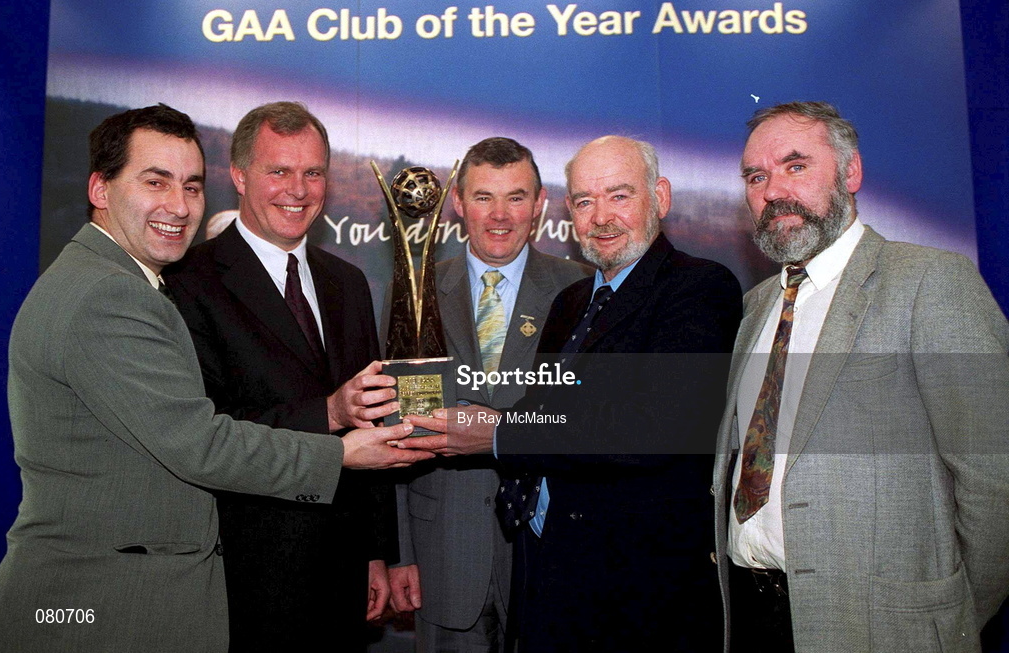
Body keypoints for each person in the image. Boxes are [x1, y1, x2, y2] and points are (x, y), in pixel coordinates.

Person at [0, 104, 430, 653]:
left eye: (192, 187)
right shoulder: (116, 292)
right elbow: (202, 441)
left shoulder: (126, 281)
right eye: (156, 182)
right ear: (100, 189)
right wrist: (340, 446)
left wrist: (377, 546)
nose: (178, 205)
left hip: (149, 592)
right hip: (106, 601)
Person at [407, 135, 742, 652]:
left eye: (619, 196)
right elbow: (543, 411)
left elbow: (653, 428)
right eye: (585, 201)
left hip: (638, 595)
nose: (601, 216)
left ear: (661, 197)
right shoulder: (573, 301)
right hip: (552, 575)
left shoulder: (698, 288)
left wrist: (496, 433)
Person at [713, 101, 1009, 652]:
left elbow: (997, 481)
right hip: (752, 618)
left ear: (850, 172)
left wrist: (950, 620)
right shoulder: (756, 307)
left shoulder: (931, 283)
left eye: (796, 166)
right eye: (757, 176)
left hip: (886, 630)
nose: (773, 189)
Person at [164, 101, 399, 651]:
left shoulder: (348, 282)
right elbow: (205, 431)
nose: (298, 189)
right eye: (279, 171)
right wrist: (329, 412)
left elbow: (376, 418)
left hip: (343, 575)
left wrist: (377, 551)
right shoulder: (188, 282)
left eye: (313, 172)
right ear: (240, 176)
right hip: (243, 572)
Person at [386, 137, 591, 652]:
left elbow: (591, 423)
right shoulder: (418, 289)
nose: (500, 215)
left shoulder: (582, 290)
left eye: (516, 198)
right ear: (458, 202)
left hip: (550, 554)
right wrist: (400, 552)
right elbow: (399, 427)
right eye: (483, 198)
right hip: (443, 553)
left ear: (541, 205)